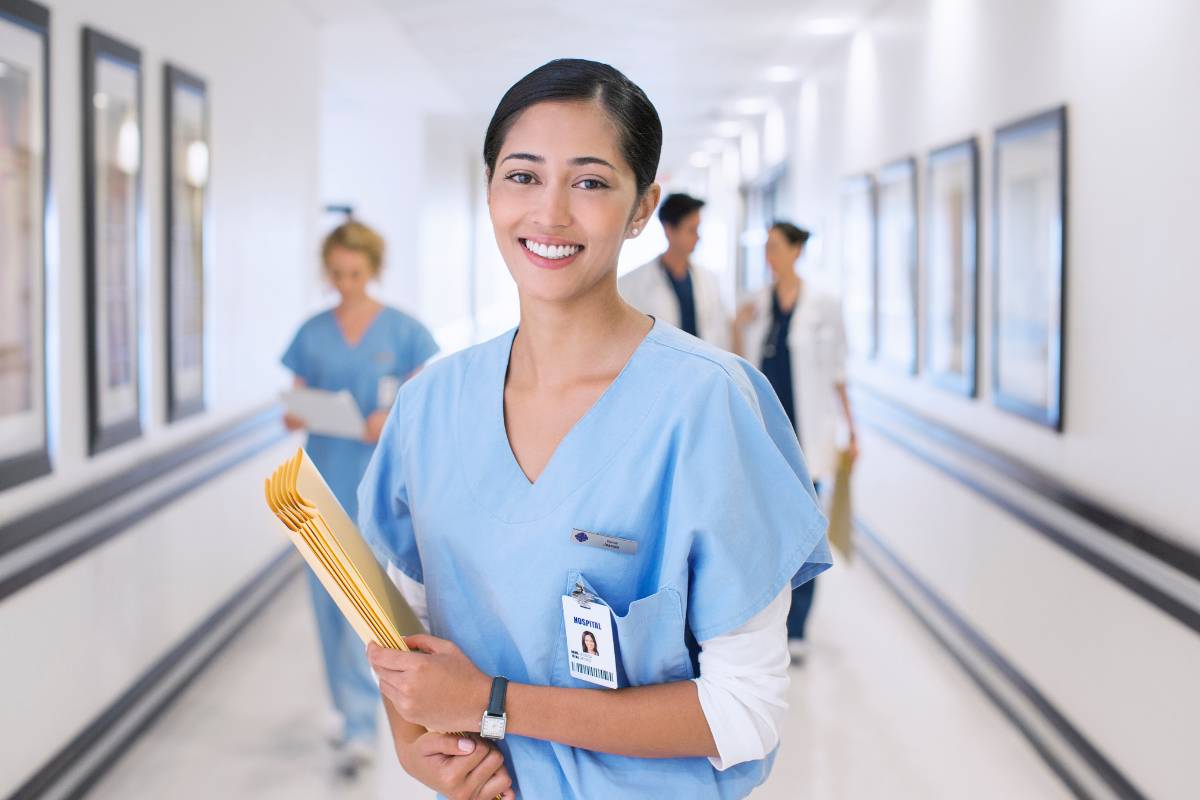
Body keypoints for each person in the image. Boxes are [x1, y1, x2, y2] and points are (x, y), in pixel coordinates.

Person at [358, 59, 829, 800]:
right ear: (488, 191)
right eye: (521, 176)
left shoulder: (709, 405)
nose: (548, 214)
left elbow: (746, 711)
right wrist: (415, 744)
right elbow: (402, 625)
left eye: (590, 182)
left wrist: (492, 704)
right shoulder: (431, 407)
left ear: (643, 207)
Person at [280, 220, 439, 776]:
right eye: (338, 274)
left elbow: (422, 402)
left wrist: (388, 417)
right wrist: (299, 411)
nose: (346, 284)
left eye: (356, 273)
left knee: (371, 612)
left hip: (380, 493)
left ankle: (369, 721)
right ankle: (349, 714)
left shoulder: (403, 331)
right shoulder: (312, 333)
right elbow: (293, 402)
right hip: (318, 491)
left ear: (373, 270)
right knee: (328, 608)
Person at [733, 221, 858, 663]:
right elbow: (736, 364)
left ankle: (798, 627)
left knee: (806, 533)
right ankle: (767, 620)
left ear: (796, 251)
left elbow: (839, 372)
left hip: (808, 439)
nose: (768, 256)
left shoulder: (824, 304)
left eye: (775, 247)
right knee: (766, 533)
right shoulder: (757, 303)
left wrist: (851, 430)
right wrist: (737, 323)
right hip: (765, 437)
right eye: (765, 248)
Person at [619, 193, 731, 349]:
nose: (698, 238)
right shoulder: (632, 284)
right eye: (691, 230)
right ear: (669, 230)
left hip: (703, 368)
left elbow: (720, 332)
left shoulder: (709, 280)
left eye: (698, 229)